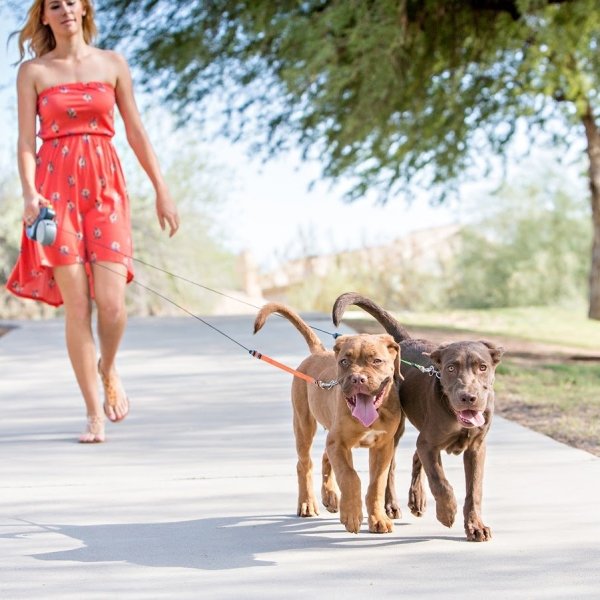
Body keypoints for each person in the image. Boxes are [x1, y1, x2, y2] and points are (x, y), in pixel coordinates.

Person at [6, 0, 180, 443]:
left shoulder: (112, 64)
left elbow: (136, 130)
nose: (64, 9)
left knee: (113, 302)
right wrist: (30, 193)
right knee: (78, 306)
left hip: (105, 185)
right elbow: (26, 141)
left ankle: (109, 365)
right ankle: (92, 412)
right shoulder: (33, 72)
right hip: (53, 188)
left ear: (84, 9)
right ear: (44, 16)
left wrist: (161, 189)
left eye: (71, 1)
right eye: (54, 4)